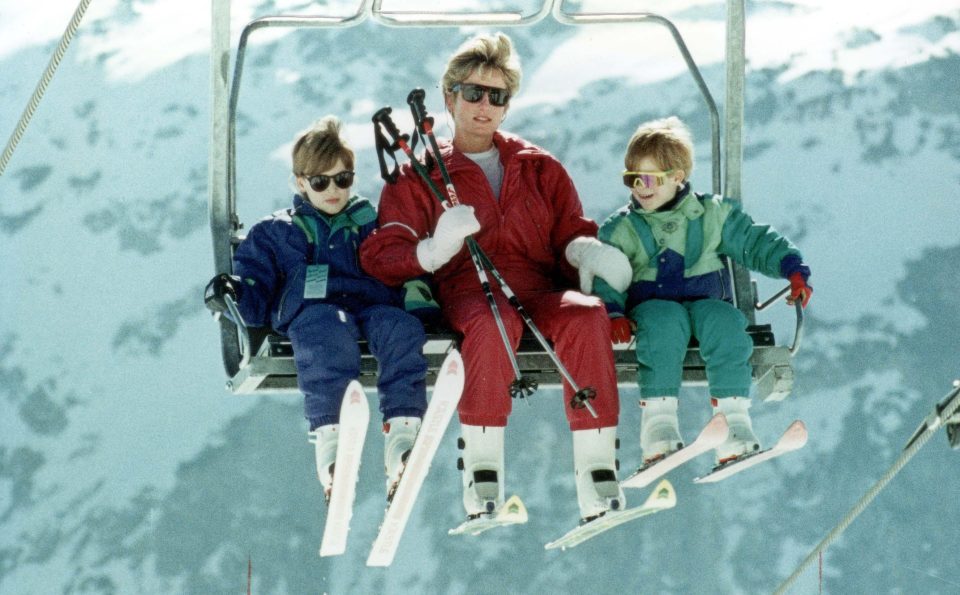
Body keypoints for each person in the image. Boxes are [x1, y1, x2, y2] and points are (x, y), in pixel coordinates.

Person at [360, 33, 634, 523]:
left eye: (497, 96)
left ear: (508, 106)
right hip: (467, 288)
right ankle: (482, 471)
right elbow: (383, 252)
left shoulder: (539, 167)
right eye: (473, 93)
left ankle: (598, 470)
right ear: (449, 97)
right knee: (490, 322)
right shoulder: (420, 175)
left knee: (586, 316)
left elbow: (570, 228)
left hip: (538, 288)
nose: (484, 106)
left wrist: (584, 250)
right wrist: (433, 248)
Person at [204, 116, 428, 501]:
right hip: (315, 314)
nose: (333, 191)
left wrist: (420, 297)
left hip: (370, 307)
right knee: (326, 332)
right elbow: (255, 292)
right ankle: (332, 443)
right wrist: (234, 294)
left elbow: (402, 262)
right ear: (300, 182)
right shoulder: (277, 233)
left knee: (400, 328)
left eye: (342, 179)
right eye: (320, 182)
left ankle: (403, 435)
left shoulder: (373, 223)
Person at [593, 115, 813, 467]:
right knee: (663, 323)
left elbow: (754, 241)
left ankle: (735, 421)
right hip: (652, 308)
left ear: (677, 177)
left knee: (727, 322)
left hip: (706, 303)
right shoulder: (623, 229)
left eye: (648, 178)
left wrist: (791, 268)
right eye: (631, 178)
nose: (639, 188)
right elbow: (605, 274)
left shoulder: (712, 215)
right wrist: (613, 313)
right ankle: (659, 425)